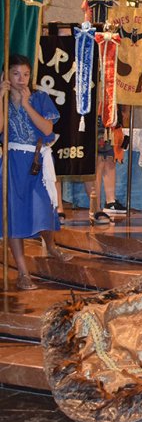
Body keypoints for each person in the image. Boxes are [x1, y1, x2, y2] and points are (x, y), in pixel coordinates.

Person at [0, 54, 72, 290]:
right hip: (12, 163)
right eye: (16, 74)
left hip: (37, 161)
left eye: (26, 74)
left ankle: (50, 245)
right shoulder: (3, 101)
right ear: (6, 76)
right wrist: (2, 99)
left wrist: (27, 105)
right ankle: (23, 273)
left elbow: (48, 129)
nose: (22, 79)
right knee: (15, 216)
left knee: (44, 209)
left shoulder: (40, 98)